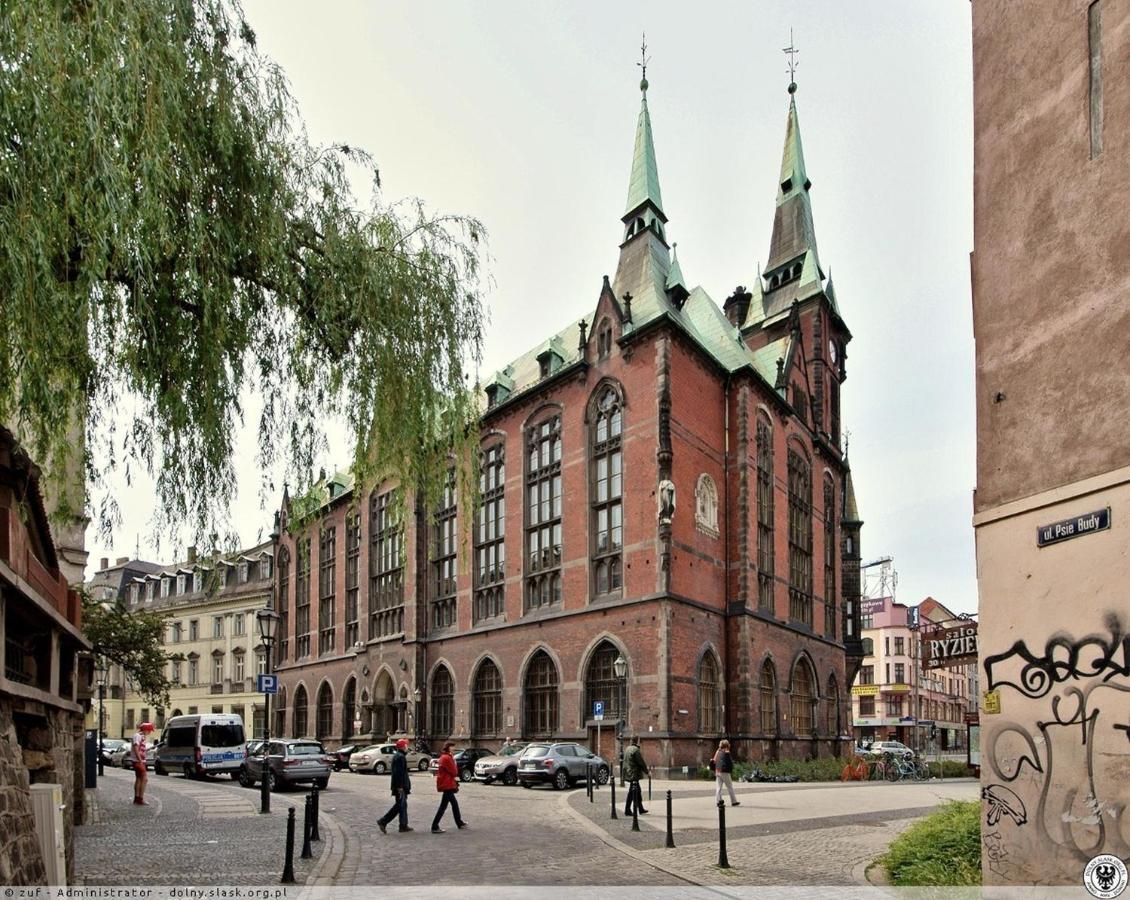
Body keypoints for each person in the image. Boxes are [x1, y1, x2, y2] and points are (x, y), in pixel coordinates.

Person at [430, 741, 468, 834]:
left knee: (454, 804)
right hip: (447, 784)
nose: (454, 749)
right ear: (448, 748)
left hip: (447, 783)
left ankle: (459, 823)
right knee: (443, 806)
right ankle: (435, 826)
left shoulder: (445, 757)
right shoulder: (447, 758)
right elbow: (454, 771)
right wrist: (454, 765)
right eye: (452, 747)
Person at [377, 738, 413, 833]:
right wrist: (400, 787)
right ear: (402, 746)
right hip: (399, 786)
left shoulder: (399, 756)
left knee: (402, 805)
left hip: (400, 785)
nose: (407, 747)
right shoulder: (400, 757)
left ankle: (403, 825)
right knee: (400, 805)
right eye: (406, 745)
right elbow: (398, 773)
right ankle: (383, 821)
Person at [622, 736, 649, 817]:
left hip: (629, 772)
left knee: (637, 790)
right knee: (632, 792)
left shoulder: (628, 748)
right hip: (633, 774)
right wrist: (647, 772)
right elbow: (641, 762)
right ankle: (627, 810)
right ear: (637, 741)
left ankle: (640, 808)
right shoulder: (636, 750)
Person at [131, 722, 155, 805]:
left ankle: (136, 798)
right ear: (145, 730)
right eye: (149, 730)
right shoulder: (137, 736)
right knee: (144, 779)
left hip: (139, 761)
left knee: (138, 779)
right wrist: (140, 760)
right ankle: (140, 799)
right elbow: (136, 748)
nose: (150, 732)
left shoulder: (141, 736)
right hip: (138, 761)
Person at [712, 739, 740, 807]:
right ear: (727, 745)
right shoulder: (726, 751)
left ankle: (718, 801)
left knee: (718, 787)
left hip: (718, 771)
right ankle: (734, 801)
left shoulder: (718, 751)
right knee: (730, 787)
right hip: (724, 772)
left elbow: (714, 761)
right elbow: (729, 762)